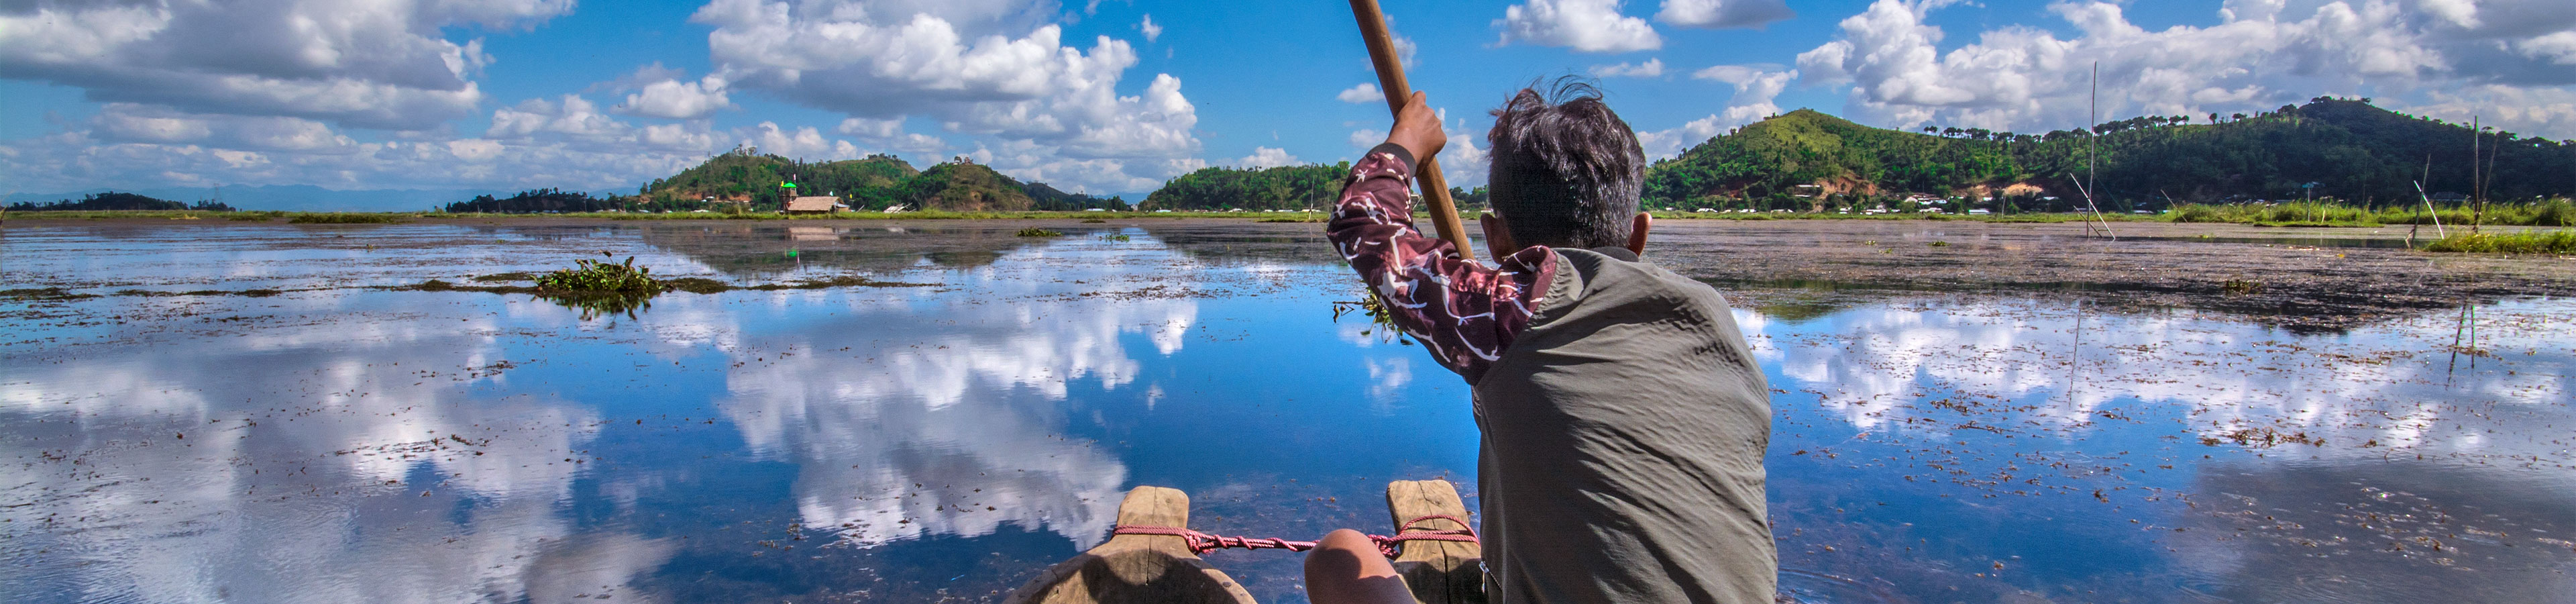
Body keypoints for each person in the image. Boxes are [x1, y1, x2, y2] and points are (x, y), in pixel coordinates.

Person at [1307, 81, 1776, 603]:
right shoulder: (1715, 318)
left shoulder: (1514, 312)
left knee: (1338, 556)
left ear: (1495, 238)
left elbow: (1362, 220)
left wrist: (1406, 144)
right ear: (1639, 235)